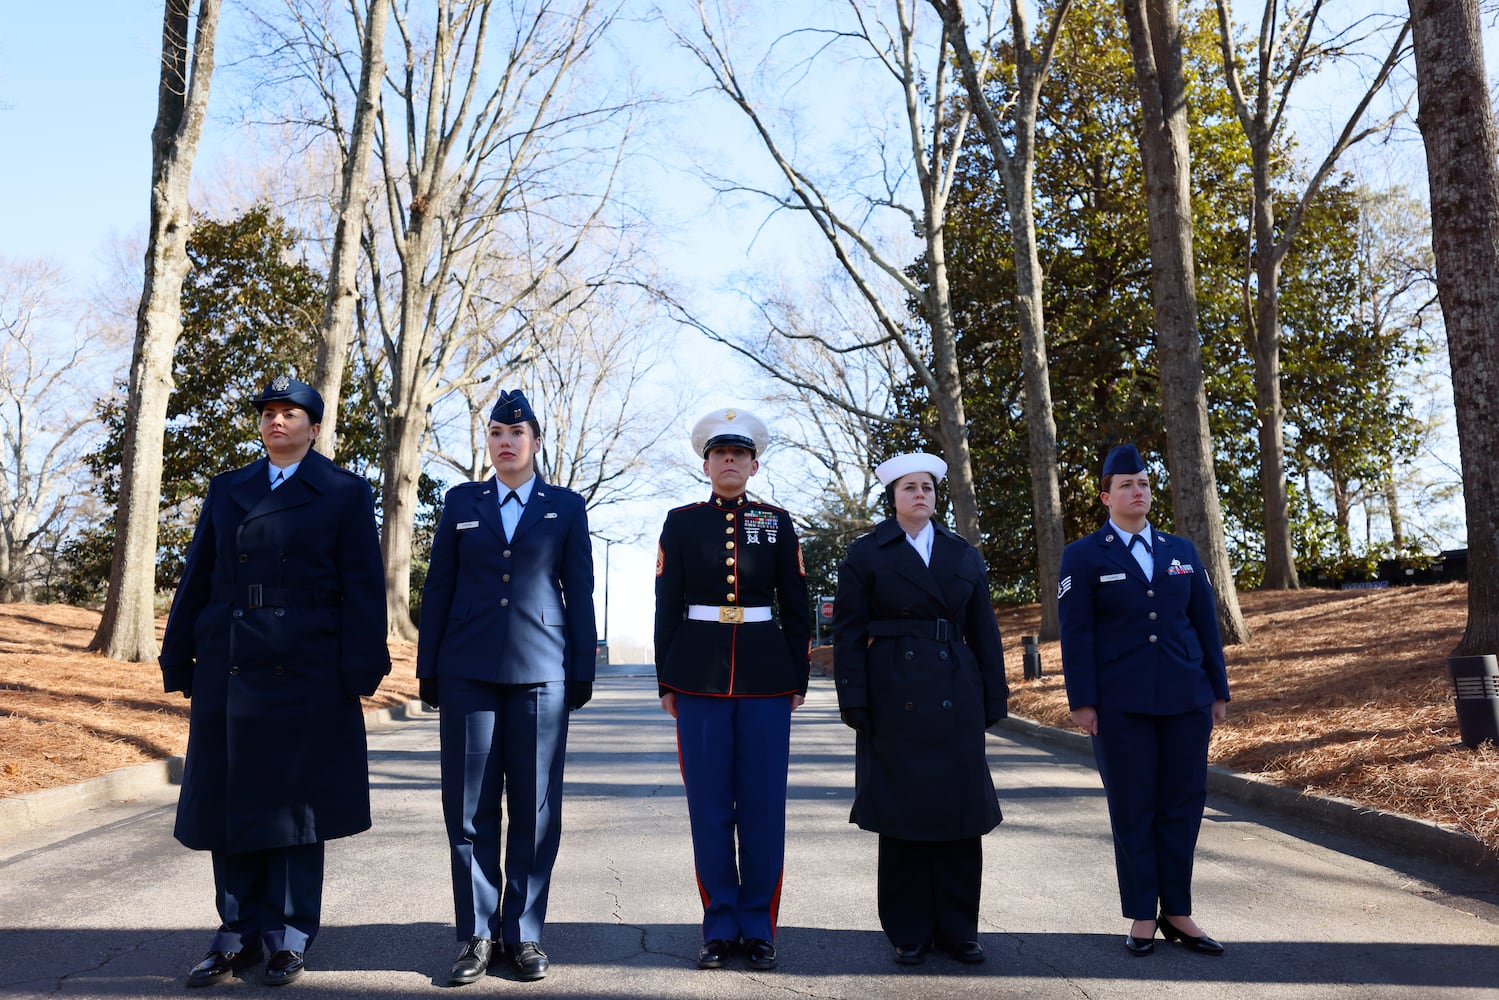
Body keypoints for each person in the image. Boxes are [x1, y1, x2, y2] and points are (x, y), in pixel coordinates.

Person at [159, 375, 390, 988]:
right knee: (230, 802)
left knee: (295, 808)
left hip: (306, 664)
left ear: (314, 428)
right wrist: (177, 654)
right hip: (231, 659)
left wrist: (361, 667)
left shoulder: (343, 491)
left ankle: (289, 935)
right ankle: (234, 931)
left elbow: (365, 587)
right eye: (268, 413)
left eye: (290, 414)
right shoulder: (228, 488)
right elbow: (198, 574)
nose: (276, 422)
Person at [417, 388, 597, 985]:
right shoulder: (460, 502)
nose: (505, 442)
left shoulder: (565, 507)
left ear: (535, 442)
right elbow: (438, 587)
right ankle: (474, 934)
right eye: (496, 433)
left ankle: (523, 933)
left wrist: (581, 669)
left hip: (541, 672)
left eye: (516, 434)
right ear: (487, 441)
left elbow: (579, 592)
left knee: (535, 808)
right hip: (467, 670)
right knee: (467, 809)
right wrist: (428, 666)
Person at [831, 452, 1009, 966]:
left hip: (956, 686)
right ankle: (907, 930)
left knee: (959, 812)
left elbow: (986, 632)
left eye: (928, 487)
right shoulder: (867, 553)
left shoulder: (962, 553)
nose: (920, 495)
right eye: (910, 487)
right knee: (902, 812)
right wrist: (855, 696)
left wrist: (994, 696)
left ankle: (959, 929)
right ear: (894, 497)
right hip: (893, 690)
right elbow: (847, 633)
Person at [1057, 443, 1231, 957]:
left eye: (1145, 483)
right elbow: (1076, 634)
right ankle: (1140, 914)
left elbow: (1205, 624)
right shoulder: (1084, 555)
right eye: (1127, 484)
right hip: (1120, 705)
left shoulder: (1182, 551)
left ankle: (1178, 911)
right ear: (1106, 495)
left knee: (1182, 805)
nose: (1138, 491)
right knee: (1134, 808)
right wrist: (1083, 701)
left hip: (1185, 700)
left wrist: (1216, 689)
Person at [653, 408, 811, 972]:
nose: (729, 461)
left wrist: (797, 676)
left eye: (739, 454)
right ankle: (719, 923)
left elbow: (797, 604)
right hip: (696, 677)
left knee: (763, 807)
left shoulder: (778, 520)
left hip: (767, 678)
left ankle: (759, 925)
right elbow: (667, 604)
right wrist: (665, 677)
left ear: (754, 464)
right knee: (710, 807)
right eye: (720, 454)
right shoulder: (680, 521)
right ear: (706, 463)